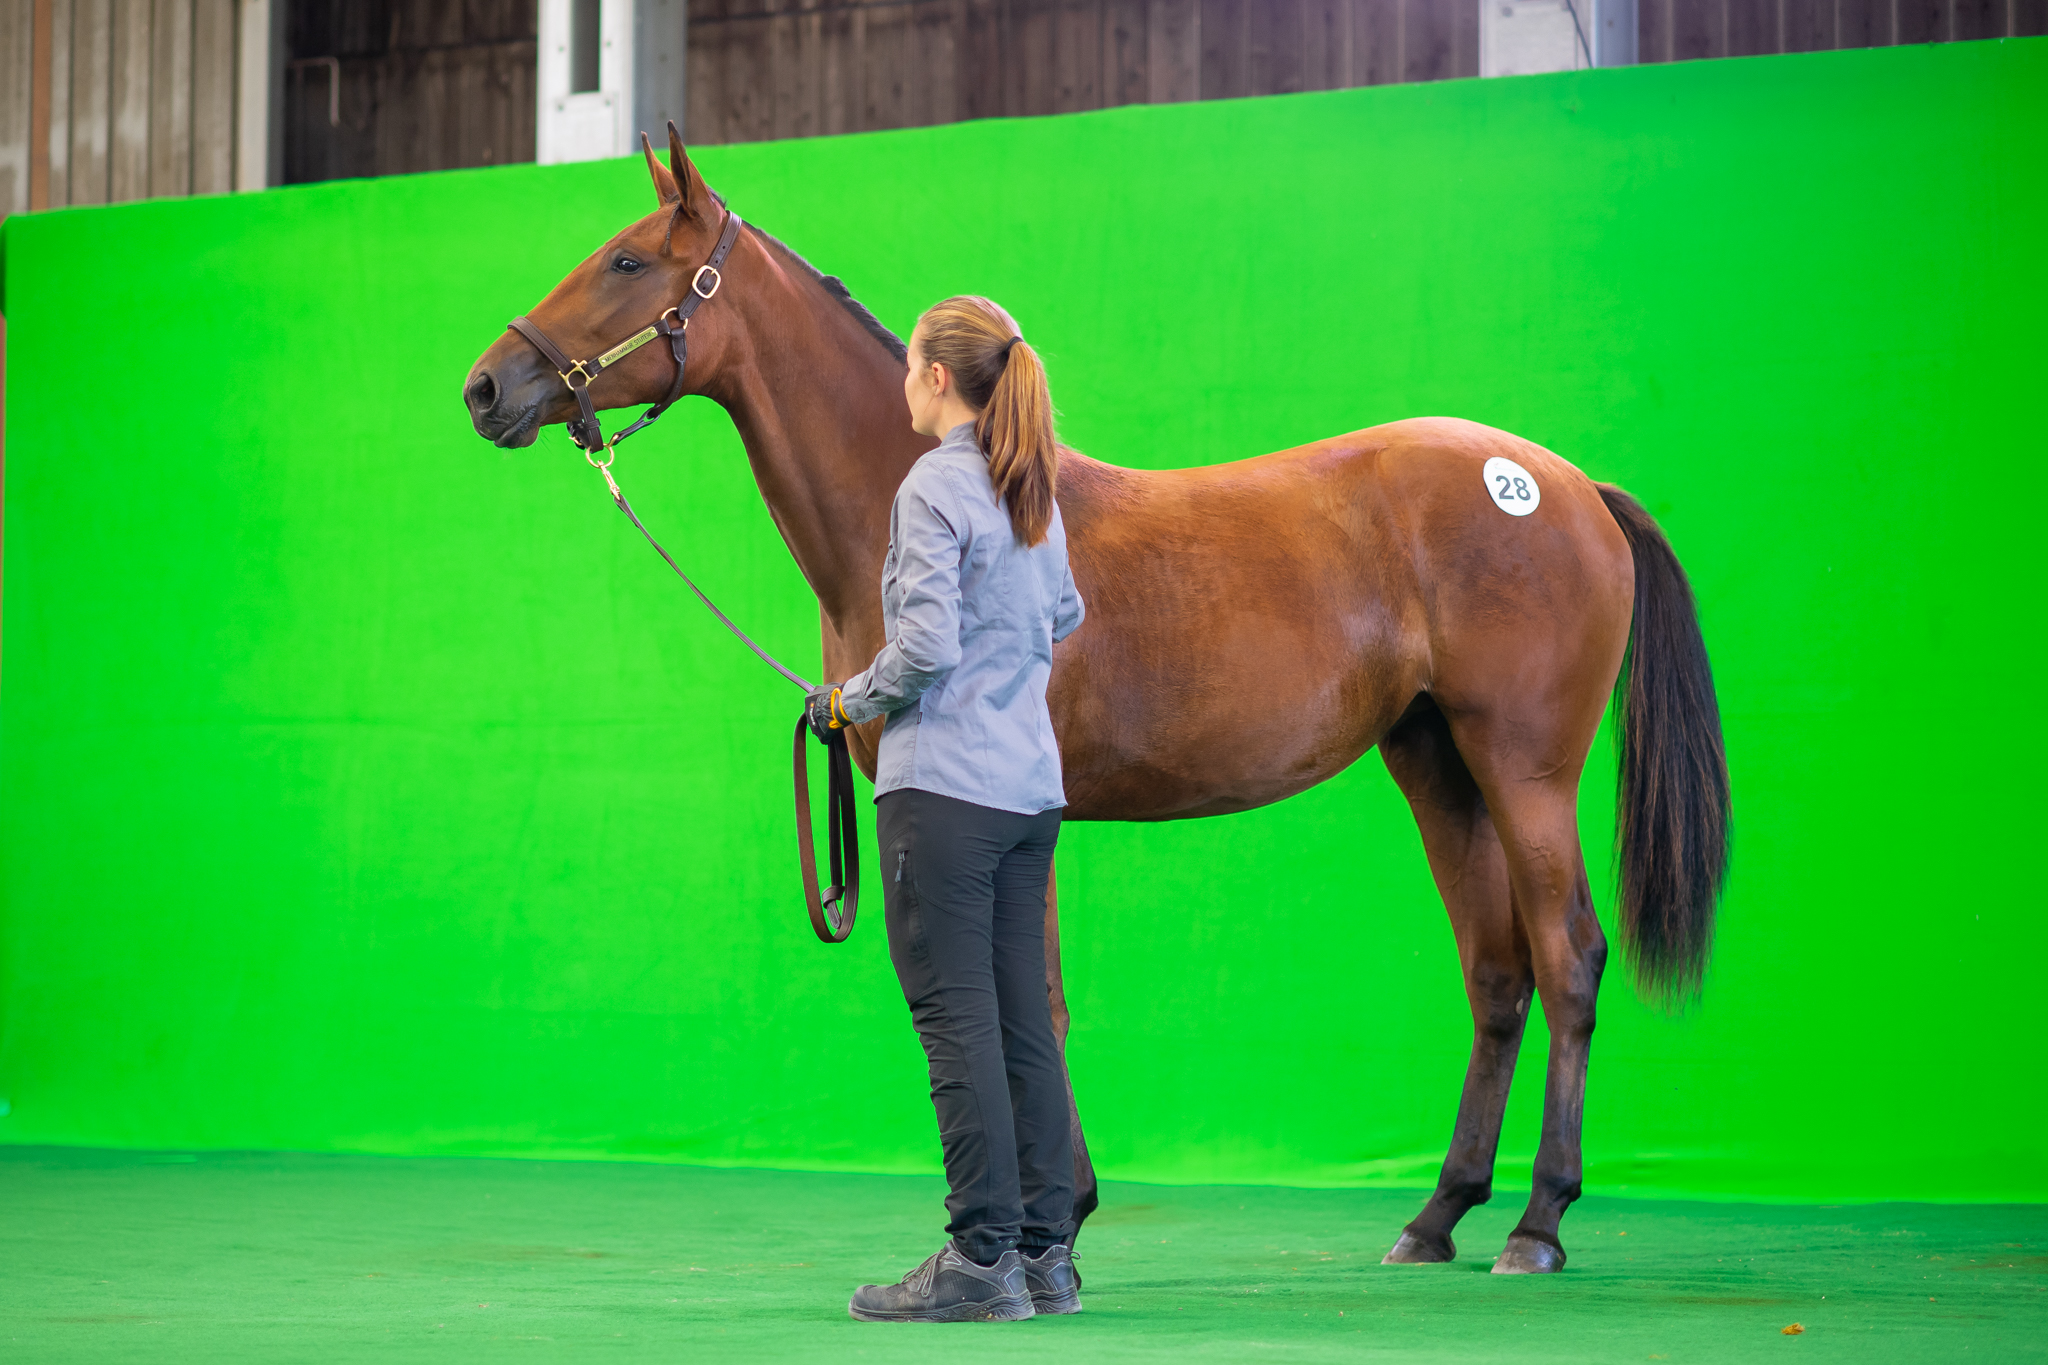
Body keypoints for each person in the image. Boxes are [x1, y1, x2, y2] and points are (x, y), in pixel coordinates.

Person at [806, 296, 1086, 1323]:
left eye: (909, 364)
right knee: (1020, 1021)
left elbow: (921, 651)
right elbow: (1063, 612)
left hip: (945, 791)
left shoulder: (933, 484)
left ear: (932, 376)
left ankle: (978, 1260)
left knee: (954, 1018)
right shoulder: (1029, 488)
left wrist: (847, 700)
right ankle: (1044, 1259)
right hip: (1027, 793)